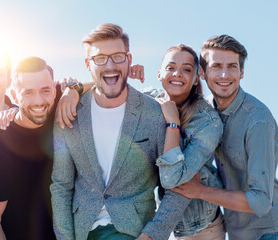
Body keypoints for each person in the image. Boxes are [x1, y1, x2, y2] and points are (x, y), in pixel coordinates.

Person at [50, 23, 189, 240]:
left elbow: (177, 189)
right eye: (100, 58)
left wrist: (152, 235)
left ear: (129, 60)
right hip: (81, 231)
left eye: (117, 56)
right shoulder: (69, 112)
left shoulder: (154, 113)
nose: (110, 65)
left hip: (132, 232)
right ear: (88, 64)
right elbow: (61, 186)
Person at [172, 35, 278, 240]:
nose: (224, 74)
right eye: (216, 66)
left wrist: (200, 191)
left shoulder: (258, 120)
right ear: (202, 72)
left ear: (242, 71)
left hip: (268, 232)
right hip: (234, 232)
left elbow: (261, 202)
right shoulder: (205, 112)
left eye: (232, 66)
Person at [0, 56, 70, 240]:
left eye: (45, 90)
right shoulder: (0, 149)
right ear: (14, 96)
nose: (38, 101)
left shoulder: (58, 109)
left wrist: (74, 90)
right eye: (28, 93)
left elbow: (99, 82)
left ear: (54, 90)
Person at [150, 44, 225, 239]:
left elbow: (172, 179)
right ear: (159, 74)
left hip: (204, 227)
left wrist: (173, 124)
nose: (177, 74)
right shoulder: (151, 102)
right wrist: (74, 88)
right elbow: (112, 91)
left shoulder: (208, 122)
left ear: (195, 78)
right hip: (172, 225)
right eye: (170, 67)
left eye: (187, 69)